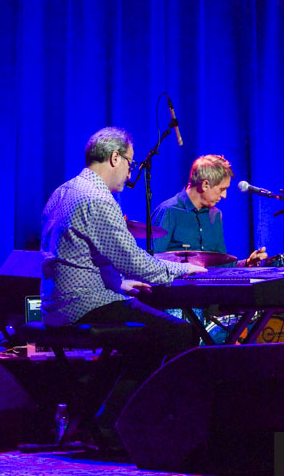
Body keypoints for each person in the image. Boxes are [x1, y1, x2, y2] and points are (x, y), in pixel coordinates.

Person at [41, 127, 205, 437]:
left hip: (57, 305)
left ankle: (88, 418)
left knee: (137, 343)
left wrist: (120, 285)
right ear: (115, 158)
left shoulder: (63, 191)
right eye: (130, 163)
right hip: (86, 305)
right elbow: (138, 264)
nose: (130, 173)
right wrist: (188, 269)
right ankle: (117, 425)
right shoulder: (98, 200)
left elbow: (72, 256)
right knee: (181, 333)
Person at [152, 153, 266, 265]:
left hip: (210, 283)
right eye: (222, 189)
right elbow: (153, 260)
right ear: (205, 184)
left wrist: (247, 263)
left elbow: (221, 263)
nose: (224, 196)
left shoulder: (215, 215)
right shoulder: (169, 211)